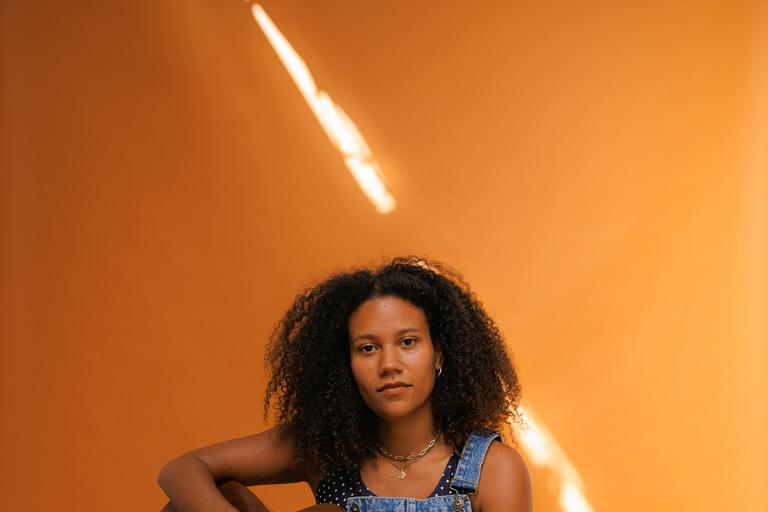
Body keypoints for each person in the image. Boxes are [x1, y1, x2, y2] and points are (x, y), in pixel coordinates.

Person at [158, 256, 532, 511]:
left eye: (408, 342)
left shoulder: (492, 469)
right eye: (368, 348)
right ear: (344, 365)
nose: (389, 365)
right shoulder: (324, 449)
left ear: (439, 355)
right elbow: (181, 469)